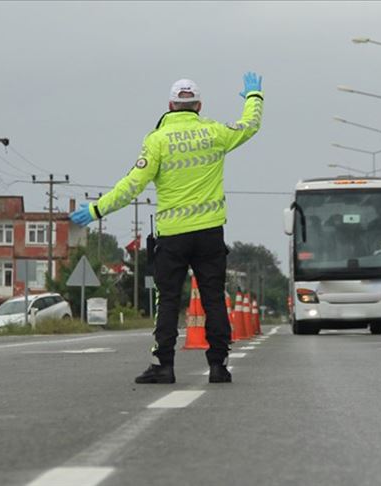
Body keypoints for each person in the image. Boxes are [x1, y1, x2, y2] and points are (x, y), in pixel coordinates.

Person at [70, 72, 264, 384]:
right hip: (210, 232)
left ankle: (164, 365)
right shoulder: (215, 133)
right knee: (214, 297)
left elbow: (131, 185)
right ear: (198, 105)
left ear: (171, 105)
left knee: (168, 299)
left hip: (173, 236)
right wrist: (254, 97)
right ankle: (218, 365)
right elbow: (250, 125)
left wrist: (96, 209)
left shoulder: (157, 140)